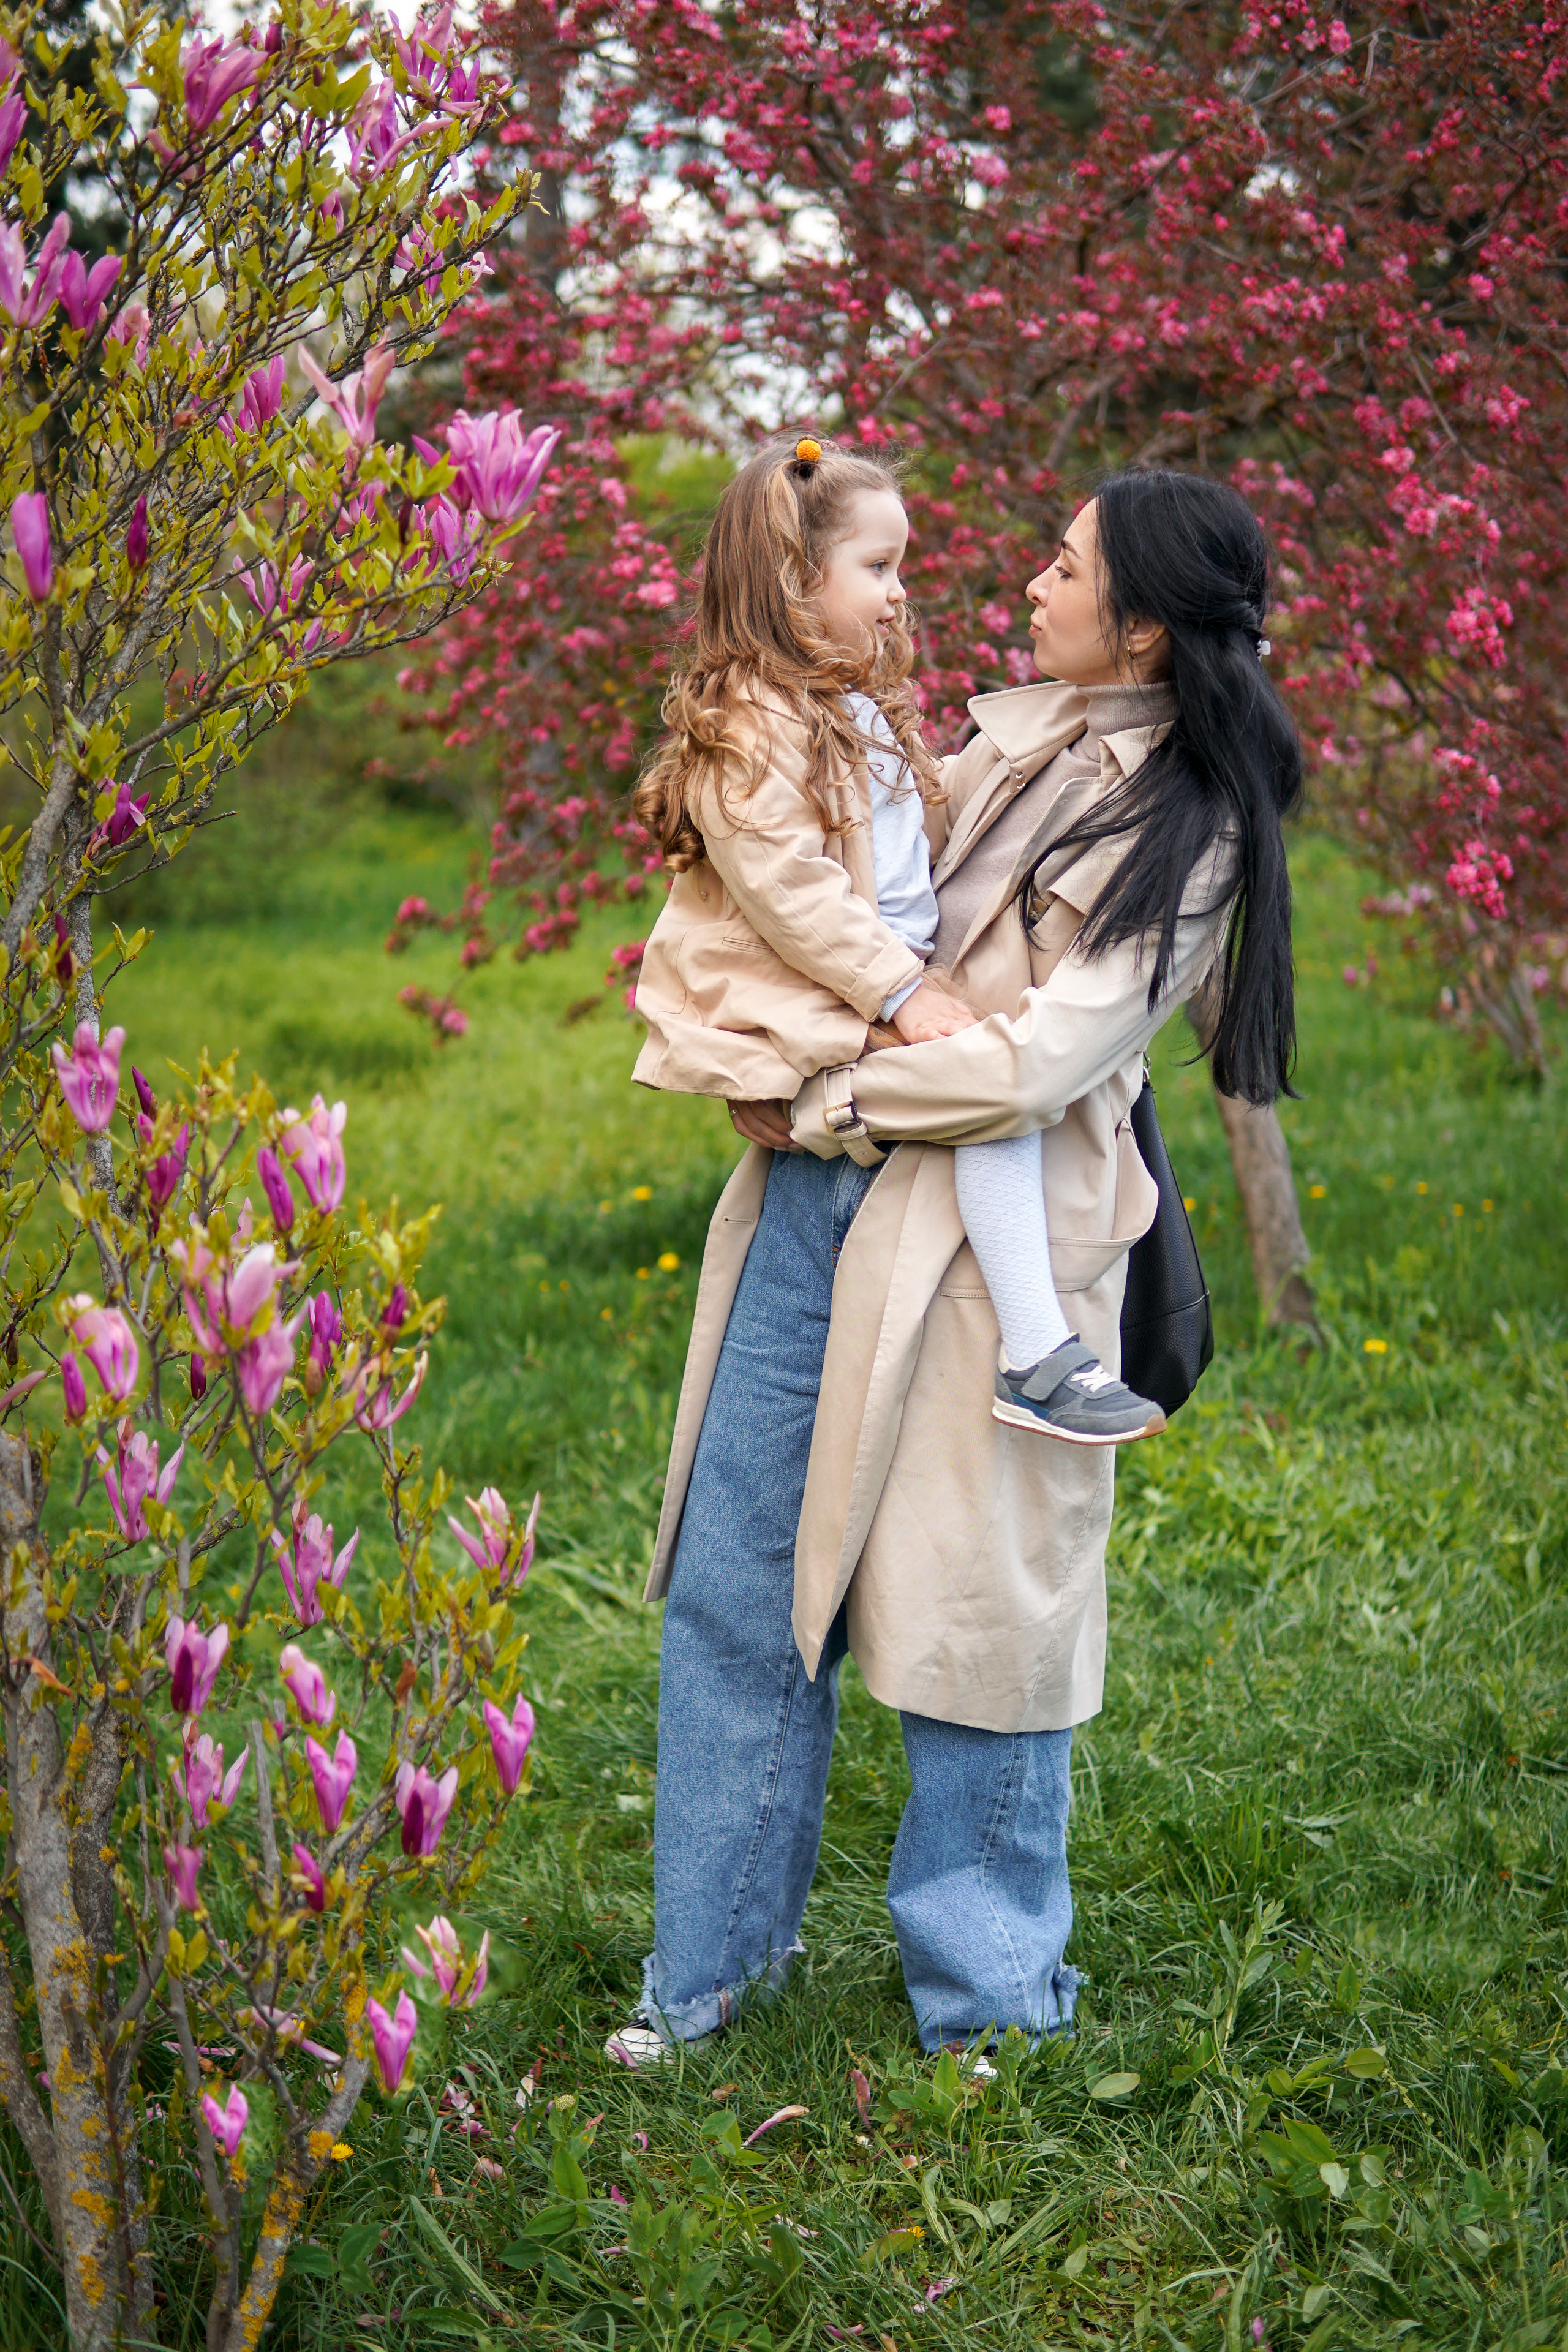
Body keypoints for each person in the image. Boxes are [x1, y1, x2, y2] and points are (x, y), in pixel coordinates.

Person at [610, 463, 1303, 2069]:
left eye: (1067, 570)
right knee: (733, 1595)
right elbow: (810, 898)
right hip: (819, 1208)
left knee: (978, 1625)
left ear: (1140, 626)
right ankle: (706, 1988)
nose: (1030, 586)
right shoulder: (973, 736)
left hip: (1000, 1257)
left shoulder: (1184, 825)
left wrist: (827, 1089)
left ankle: (992, 2014)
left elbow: (1036, 1066)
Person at [631, 435, 1166, 1446]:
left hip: (866, 992)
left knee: (992, 1096)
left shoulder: (857, 710)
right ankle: (1037, 1352)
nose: (899, 594)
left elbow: (918, 849)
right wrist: (899, 994)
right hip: (818, 990)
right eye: (877, 569)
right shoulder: (754, 721)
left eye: (901, 568)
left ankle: (1035, 1349)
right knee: (990, 1090)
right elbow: (795, 893)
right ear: (796, 581)